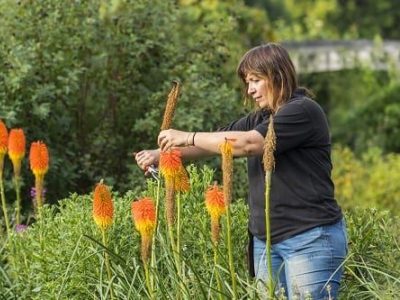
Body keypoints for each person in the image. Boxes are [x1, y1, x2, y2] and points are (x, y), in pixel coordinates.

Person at [135, 43, 347, 299]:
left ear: (277, 75)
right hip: (266, 241)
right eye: (248, 82)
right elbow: (214, 143)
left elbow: (249, 144)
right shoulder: (259, 118)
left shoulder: (303, 110)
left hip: (309, 238)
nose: (250, 90)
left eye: (256, 80)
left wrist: (187, 136)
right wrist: (163, 155)